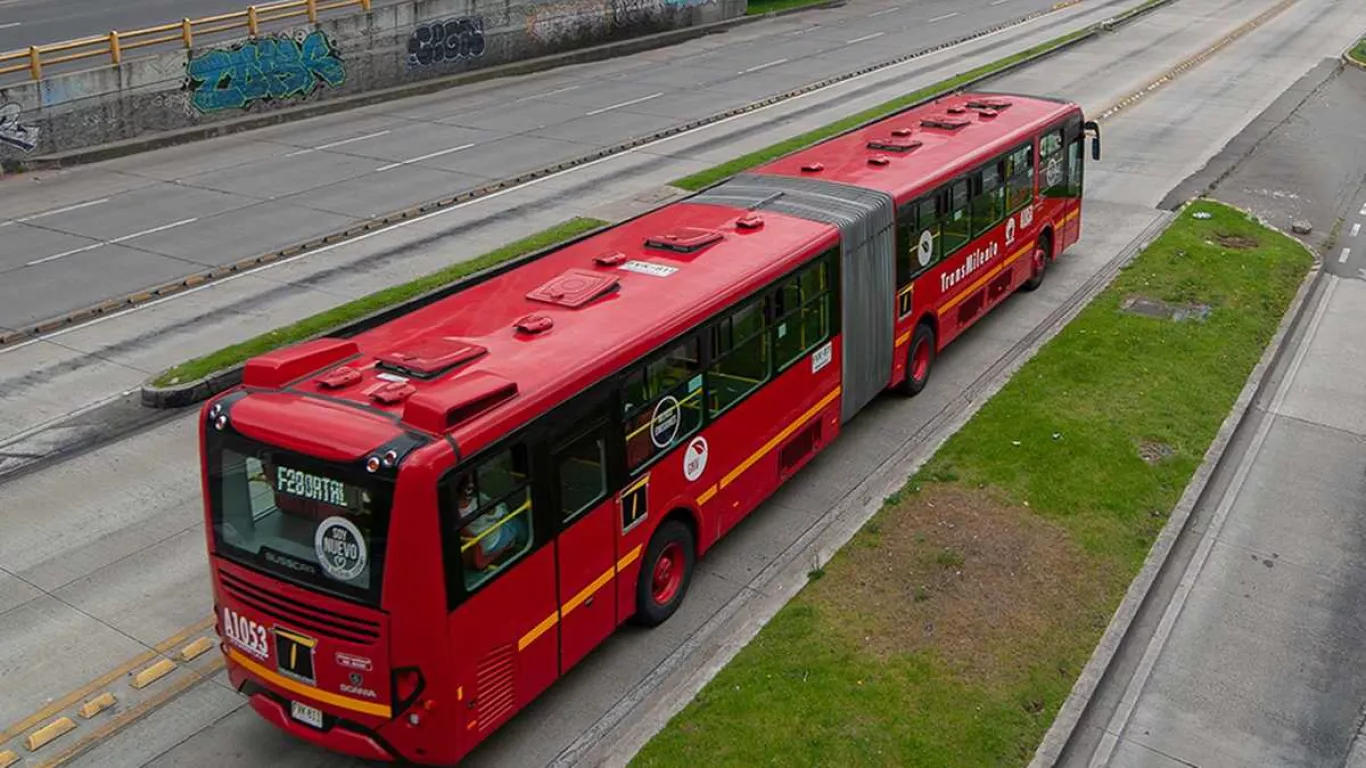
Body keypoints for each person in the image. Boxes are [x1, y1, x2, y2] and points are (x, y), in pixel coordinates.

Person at [457, 474, 527, 578]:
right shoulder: (478, 502)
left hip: (473, 550)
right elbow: (500, 513)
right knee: (515, 523)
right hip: (492, 542)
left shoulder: (451, 512)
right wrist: (494, 511)